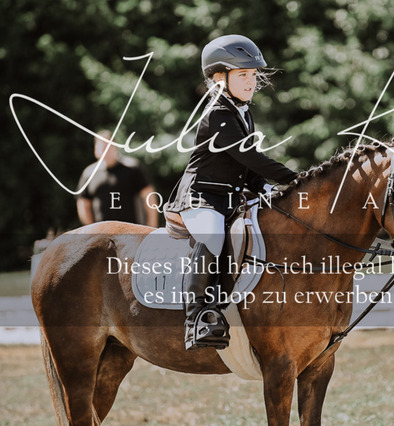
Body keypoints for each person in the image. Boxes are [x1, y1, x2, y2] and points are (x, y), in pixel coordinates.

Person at [164, 34, 298, 350]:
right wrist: (296, 179)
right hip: (201, 197)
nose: (252, 81)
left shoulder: (242, 112)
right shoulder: (217, 113)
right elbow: (249, 156)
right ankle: (197, 318)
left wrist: (270, 189)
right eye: (243, 75)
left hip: (230, 198)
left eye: (253, 75)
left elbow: (248, 170)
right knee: (213, 236)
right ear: (218, 78)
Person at [76, 130, 158, 227]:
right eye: (103, 148)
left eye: (109, 147)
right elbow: (83, 204)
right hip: (101, 233)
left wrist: (152, 225)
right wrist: (91, 229)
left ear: (115, 147)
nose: (106, 151)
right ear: (95, 150)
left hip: (132, 231)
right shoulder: (89, 174)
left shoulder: (131, 168)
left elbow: (149, 195)